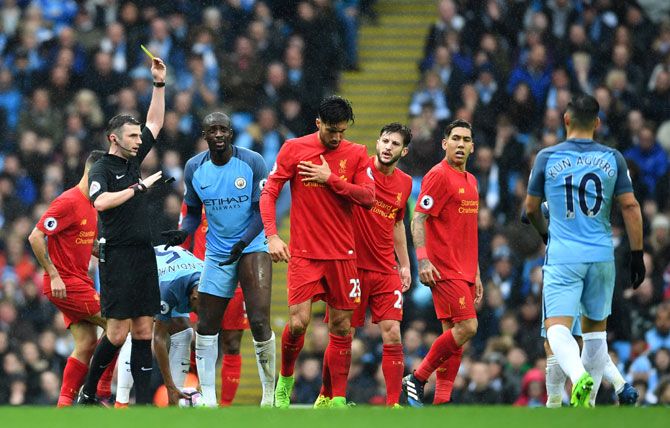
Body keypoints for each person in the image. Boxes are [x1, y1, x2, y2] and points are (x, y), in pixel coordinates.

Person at [524, 94, 645, 407]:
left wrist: (544, 233)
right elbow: (630, 206)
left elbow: (531, 208)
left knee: (557, 331)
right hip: (602, 254)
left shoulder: (546, 157)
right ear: (597, 123)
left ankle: (578, 378)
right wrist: (636, 254)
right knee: (595, 336)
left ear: (566, 120)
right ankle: (587, 408)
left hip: (564, 255)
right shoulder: (614, 158)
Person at [260, 95, 375, 408]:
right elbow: (269, 192)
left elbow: (368, 197)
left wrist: (331, 179)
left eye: (342, 131)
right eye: (331, 131)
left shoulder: (357, 153)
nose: (337, 137)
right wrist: (271, 235)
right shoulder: (294, 149)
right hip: (306, 254)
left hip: (343, 255)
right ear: (318, 124)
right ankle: (284, 381)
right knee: (298, 324)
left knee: (340, 327)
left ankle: (335, 398)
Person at [161, 112, 275, 407]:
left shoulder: (252, 162)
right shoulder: (194, 168)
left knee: (261, 321)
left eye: (223, 129)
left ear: (231, 134)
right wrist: (180, 234)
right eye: (213, 130)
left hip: (252, 246)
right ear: (205, 134)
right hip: (217, 252)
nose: (219, 134)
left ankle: (269, 396)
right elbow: (192, 212)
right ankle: (209, 399)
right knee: (206, 326)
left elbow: (262, 210)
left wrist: (242, 242)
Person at [77, 57, 167, 405]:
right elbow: (99, 202)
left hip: (143, 253)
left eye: (137, 136)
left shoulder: (132, 159)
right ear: (114, 138)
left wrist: (159, 84)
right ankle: (88, 392)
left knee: (145, 329)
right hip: (117, 255)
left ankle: (142, 406)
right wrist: (138, 189)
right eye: (131, 136)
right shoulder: (102, 167)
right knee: (117, 332)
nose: (138, 140)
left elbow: (155, 122)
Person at [315, 123, 413, 408]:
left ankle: (394, 404)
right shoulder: (358, 168)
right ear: (377, 142)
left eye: (395, 144)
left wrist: (404, 265)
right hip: (351, 265)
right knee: (342, 331)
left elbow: (397, 223)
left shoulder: (405, 183)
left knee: (393, 331)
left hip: (385, 269)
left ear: (403, 151)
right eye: (384, 141)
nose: (387, 147)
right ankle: (331, 396)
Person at [522, 205, 639, 407]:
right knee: (587, 339)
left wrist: (546, 214)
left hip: (563, 271)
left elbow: (527, 214)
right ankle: (619, 385)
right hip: (593, 268)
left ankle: (556, 402)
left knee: (554, 340)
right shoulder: (596, 190)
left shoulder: (560, 190)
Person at [402, 119, 483, 407]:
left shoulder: (471, 181)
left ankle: (442, 400)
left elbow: (468, 231)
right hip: (443, 267)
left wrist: (477, 272)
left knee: (454, 333)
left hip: (464, 268)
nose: (461, 144)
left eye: (466, 140)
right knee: (468, 327)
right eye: (456, 138)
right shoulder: (438, 175)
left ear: (472, 147)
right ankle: (418, 377)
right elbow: (418, 219)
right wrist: (422, 261)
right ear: (444, 143)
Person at [28, 150, 110, 407]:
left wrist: (106, 249)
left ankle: (64, 408)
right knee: (118, 323)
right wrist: (53, 275)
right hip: (65, 282)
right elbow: (35, 236)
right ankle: (97, 391)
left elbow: (84, 242)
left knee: (86, 344)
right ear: (91, 172)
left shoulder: (92, 205)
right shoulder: (68, 201)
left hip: (79, 281)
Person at [179, 202, 250, 406]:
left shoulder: (242, 190)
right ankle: (194, 395)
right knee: (193, 339)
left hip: (235, 278)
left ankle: (225, 408)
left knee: (232, 343)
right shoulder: (196, 189)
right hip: (201, 278)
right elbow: (184, 237)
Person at [114, 246, 201, 407]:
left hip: (176, 274)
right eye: (196, 309)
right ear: (194, 297)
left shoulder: (210, 285)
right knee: (138, 330)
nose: (196, 312)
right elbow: (159, 339)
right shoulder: (170, 290)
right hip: (138, 272)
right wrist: (168, 385)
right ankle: (122, 402)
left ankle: (176, 401)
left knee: (185, 333)